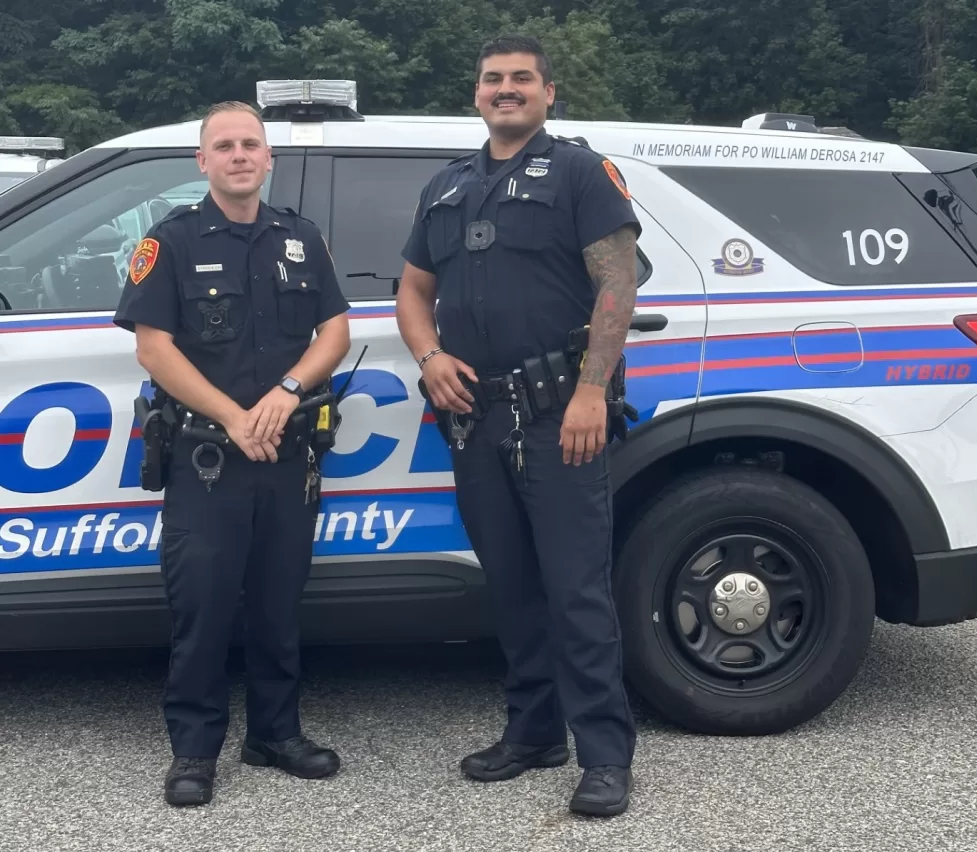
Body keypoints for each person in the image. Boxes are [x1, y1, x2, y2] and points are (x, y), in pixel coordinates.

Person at [396, 34, 641, 818]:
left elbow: (617, 283)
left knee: (577, 591)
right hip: (475, 419)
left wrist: (592, 392)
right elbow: (411, 288)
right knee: (511, 587)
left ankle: (604, 755)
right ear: (476, 94)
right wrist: (429, 354)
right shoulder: (446, 185)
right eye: (493, 79)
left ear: (547, 91)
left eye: (521, 80)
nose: (506, 89)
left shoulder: (578, 171)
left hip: (558, 416)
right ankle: (534, 731)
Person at [112, 101, 352, 807]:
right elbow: (152, 347)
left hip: (287, 451)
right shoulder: (173, 241)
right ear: (204, 161)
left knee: (279, 604)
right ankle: (194, 749)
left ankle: (275, 733)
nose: (240, 154)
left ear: (268, 157)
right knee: (205, 608)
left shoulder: (301, 239)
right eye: (225, 145)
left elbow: (334, 331)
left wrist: (284, 393)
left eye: (251, 143)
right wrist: (234, 416)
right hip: (206, 457)